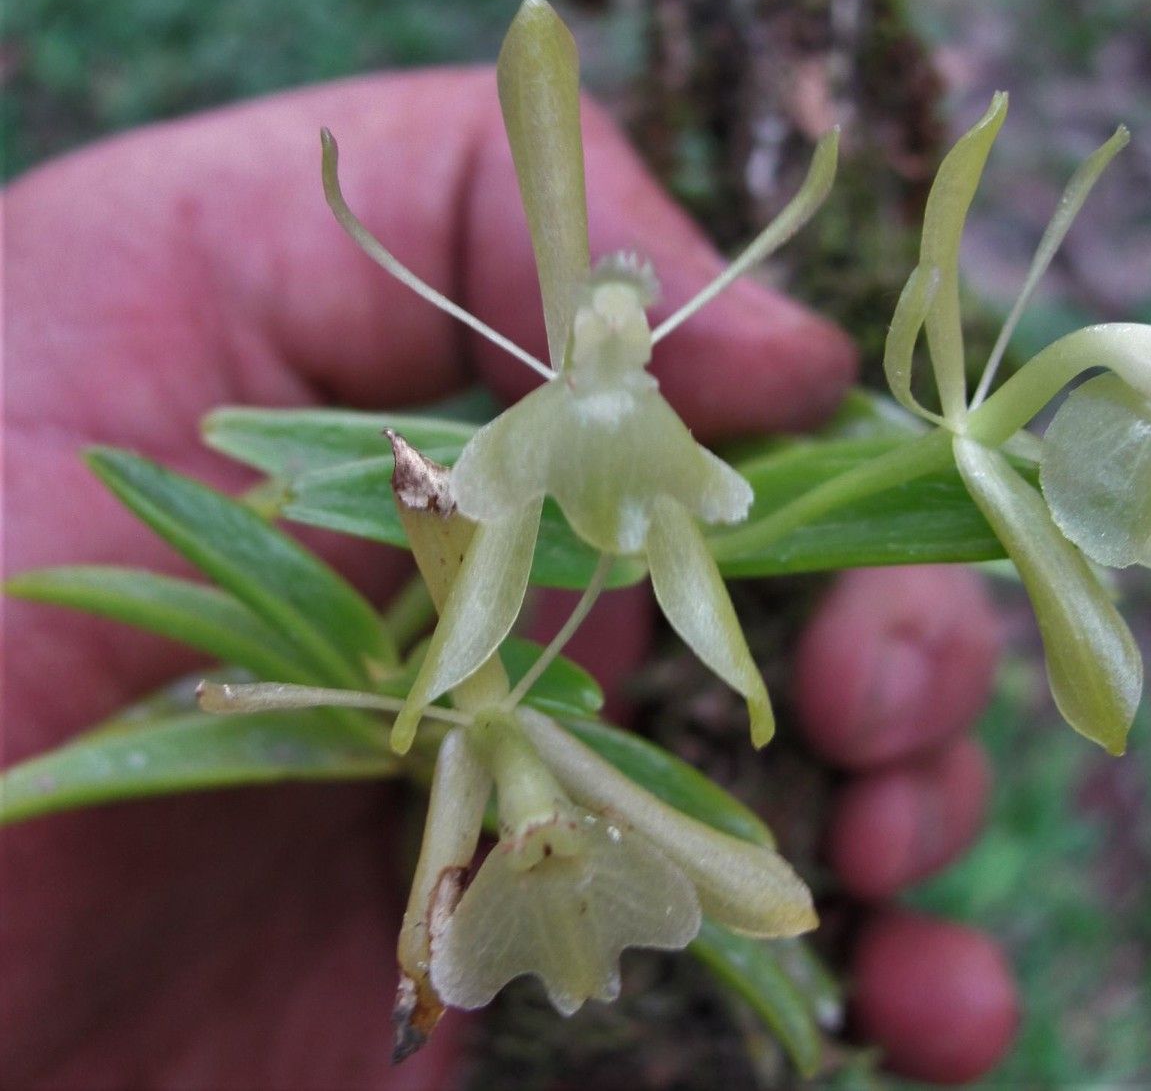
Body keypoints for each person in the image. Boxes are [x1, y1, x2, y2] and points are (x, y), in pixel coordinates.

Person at [3, 68, 1016, 1087]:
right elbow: (503, 610)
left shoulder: (586, 492)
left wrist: (731, 682)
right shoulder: (503, 634)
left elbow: (616, 570)